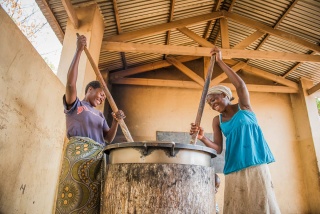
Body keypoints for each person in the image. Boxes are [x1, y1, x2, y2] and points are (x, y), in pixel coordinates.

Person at [190, 47, 281, 213]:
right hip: (234, 166)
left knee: (262, 204)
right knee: (238, 207)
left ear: (225, 95)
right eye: (209, 102)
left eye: (214, 99)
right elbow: (218, 149)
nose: (211, 103)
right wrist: (203, 137)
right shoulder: (216, 121)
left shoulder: (245, 108)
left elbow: (240, 85)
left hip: (256, 162)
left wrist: (220, 62)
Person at [55, 35, 125, 213]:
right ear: (90, 89)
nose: (102, 98)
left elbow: (108, 138)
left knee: (94, 201)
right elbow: (70, 84)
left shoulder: (100, 115)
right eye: (101, 94)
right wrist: (79, 51)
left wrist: (116, 121)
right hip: (77, 159)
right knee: (73, 196)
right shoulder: (76, 105)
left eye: (104, 97)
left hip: (96, 161)